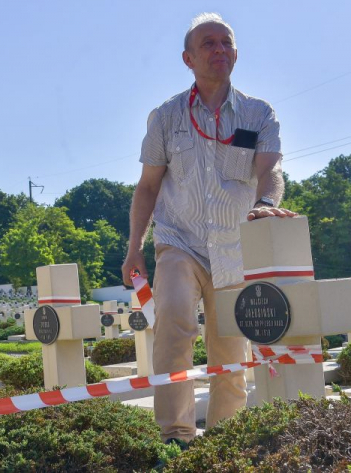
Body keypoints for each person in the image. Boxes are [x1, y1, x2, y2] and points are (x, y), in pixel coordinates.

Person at [122, 12, 296, 445]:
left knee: (230, 349)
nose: (219, 51)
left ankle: (224, 441)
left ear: (236, 52)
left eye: (226, 43)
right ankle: (176, 436)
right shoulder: (165, 117)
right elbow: (147, 187)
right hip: (178, 243)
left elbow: (270, 172)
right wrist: (134, 248)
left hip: (235, 249)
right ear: (188, 58)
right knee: (176, 325)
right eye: (208, 44)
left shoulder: (259, 113)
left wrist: (266, 204)